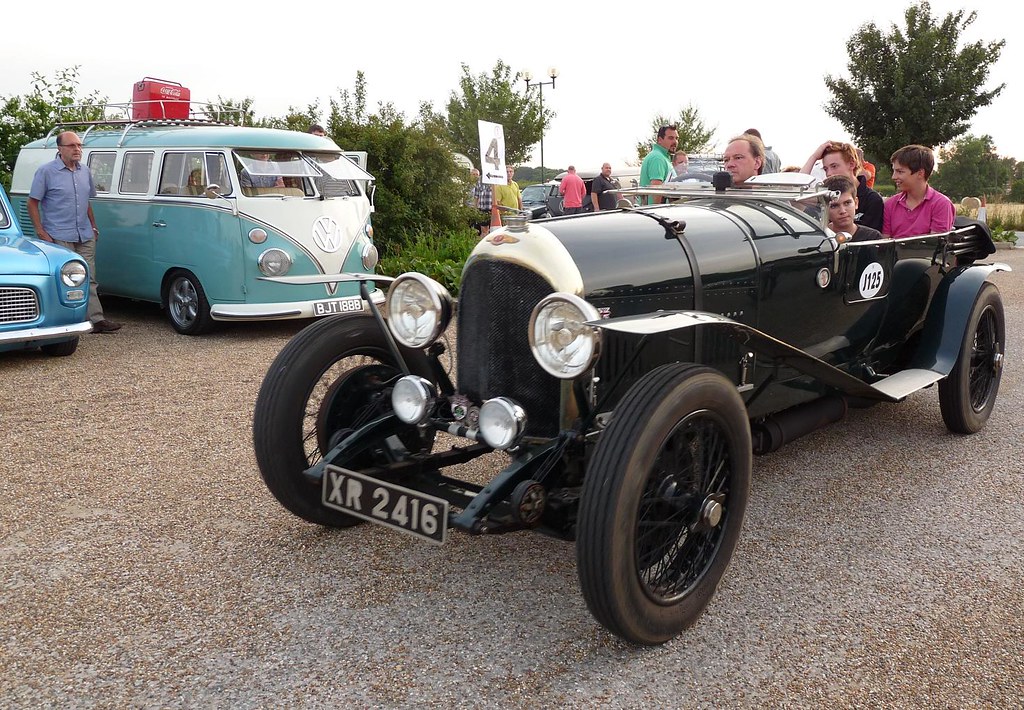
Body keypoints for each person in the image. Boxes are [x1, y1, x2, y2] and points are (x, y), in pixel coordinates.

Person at [27, 131, 122, 333]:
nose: (77, 149)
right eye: (72, 146)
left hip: (84, 234)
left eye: (79, 145)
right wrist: (41, 231)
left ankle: (96, 320)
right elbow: (32, 202)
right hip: (58, 234)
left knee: (89, 276)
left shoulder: (85, 171)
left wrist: (93, 226)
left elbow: (86, 202)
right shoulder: (46, 172)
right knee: (63, 279)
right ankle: (64, 321)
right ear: (60, 149)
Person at [800, 140, 883, 231]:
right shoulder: (824, 196)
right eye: (825, 169)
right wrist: (814, 157)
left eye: (834, 166)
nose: (829, 173)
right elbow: (795, 191)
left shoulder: (872, 199)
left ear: (851, 164)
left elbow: (871, 237)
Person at [883, 144, 955, 238]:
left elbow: (935, 246)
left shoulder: (941, 204)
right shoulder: (890, 204)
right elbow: (885, 243)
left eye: (900, 172)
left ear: (920, 173)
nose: (894, 177)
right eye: (894, 171)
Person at [822, 175, 882, 243]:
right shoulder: (819, 237)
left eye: (847, 203)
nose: (842, 211)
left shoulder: (873, 238)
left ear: (856, 203)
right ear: (824, 208)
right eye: (834, 206)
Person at [640, 125, 678, 204]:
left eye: (676, 138)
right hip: (657, 213)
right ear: (660, 140)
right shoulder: (657, 158)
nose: (675, 142)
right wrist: (659, 213)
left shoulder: (662, 157)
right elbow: (656, 190)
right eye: (671, 138)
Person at [468, 167, 493, 236]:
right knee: (483, 230)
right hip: (483, 209)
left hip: (494, 208)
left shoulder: (496, 178)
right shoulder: (479, 180)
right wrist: (475, 210)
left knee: (494, 231)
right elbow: (476, 196)